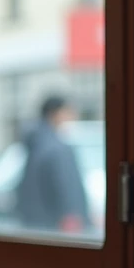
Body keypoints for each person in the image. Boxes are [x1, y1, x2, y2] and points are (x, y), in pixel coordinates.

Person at [15, 95, 89, 233]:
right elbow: (68, 188)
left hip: (35, 225)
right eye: (68, 111)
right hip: (57, 228)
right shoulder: (57, 149)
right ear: (55, 113)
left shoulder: (35, 143)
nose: (72, 117)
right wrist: (73, 219)